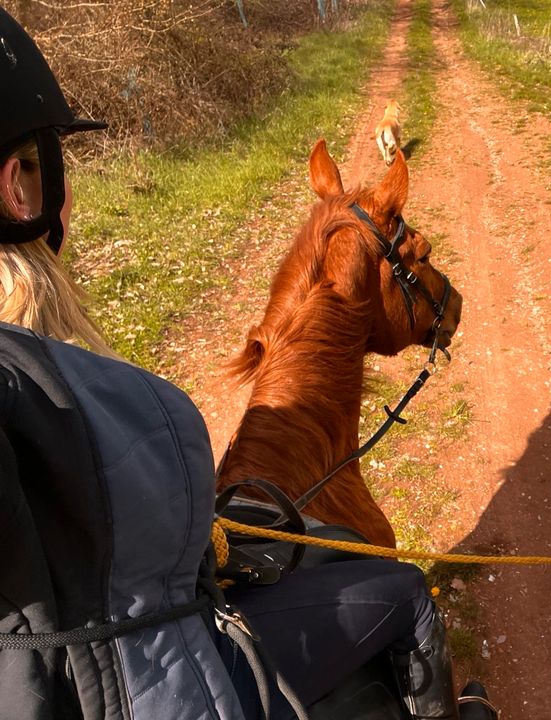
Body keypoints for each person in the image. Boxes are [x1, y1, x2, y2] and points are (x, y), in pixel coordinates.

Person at [0, 8, 494, 719]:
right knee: (408, 592)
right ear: (19, 187)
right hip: (153, 681)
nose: (70, 191)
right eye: (56, 165)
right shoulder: (100, 405)